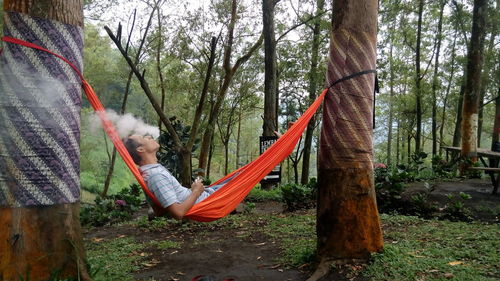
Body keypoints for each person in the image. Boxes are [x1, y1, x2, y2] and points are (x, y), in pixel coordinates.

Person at [123, 134, 223, 220]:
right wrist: (196, 191)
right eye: (144, 137)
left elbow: (159, 211)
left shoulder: (150, 172)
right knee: (238, 180)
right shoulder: (156, 176)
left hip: (209, 193)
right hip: (210, 199)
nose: (149, 136)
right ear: (140, 149)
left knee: (238, 177)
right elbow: (178, 213)